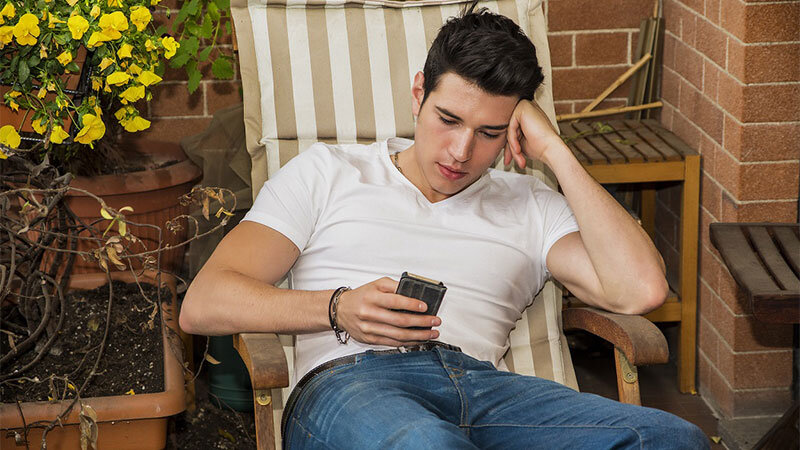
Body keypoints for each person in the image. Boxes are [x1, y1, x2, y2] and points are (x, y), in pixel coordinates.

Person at [180, 4, 709, 449]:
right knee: (428, 445)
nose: (460, 151)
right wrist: (336, 308)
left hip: (489, 393)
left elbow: (641, 289)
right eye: (448, 119)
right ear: (419, 95)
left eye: (489, 133)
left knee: (670, 438)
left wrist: (556, 151)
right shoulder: (328, 172)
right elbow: (203, 302)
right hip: (354, 386)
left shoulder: (531, 203)